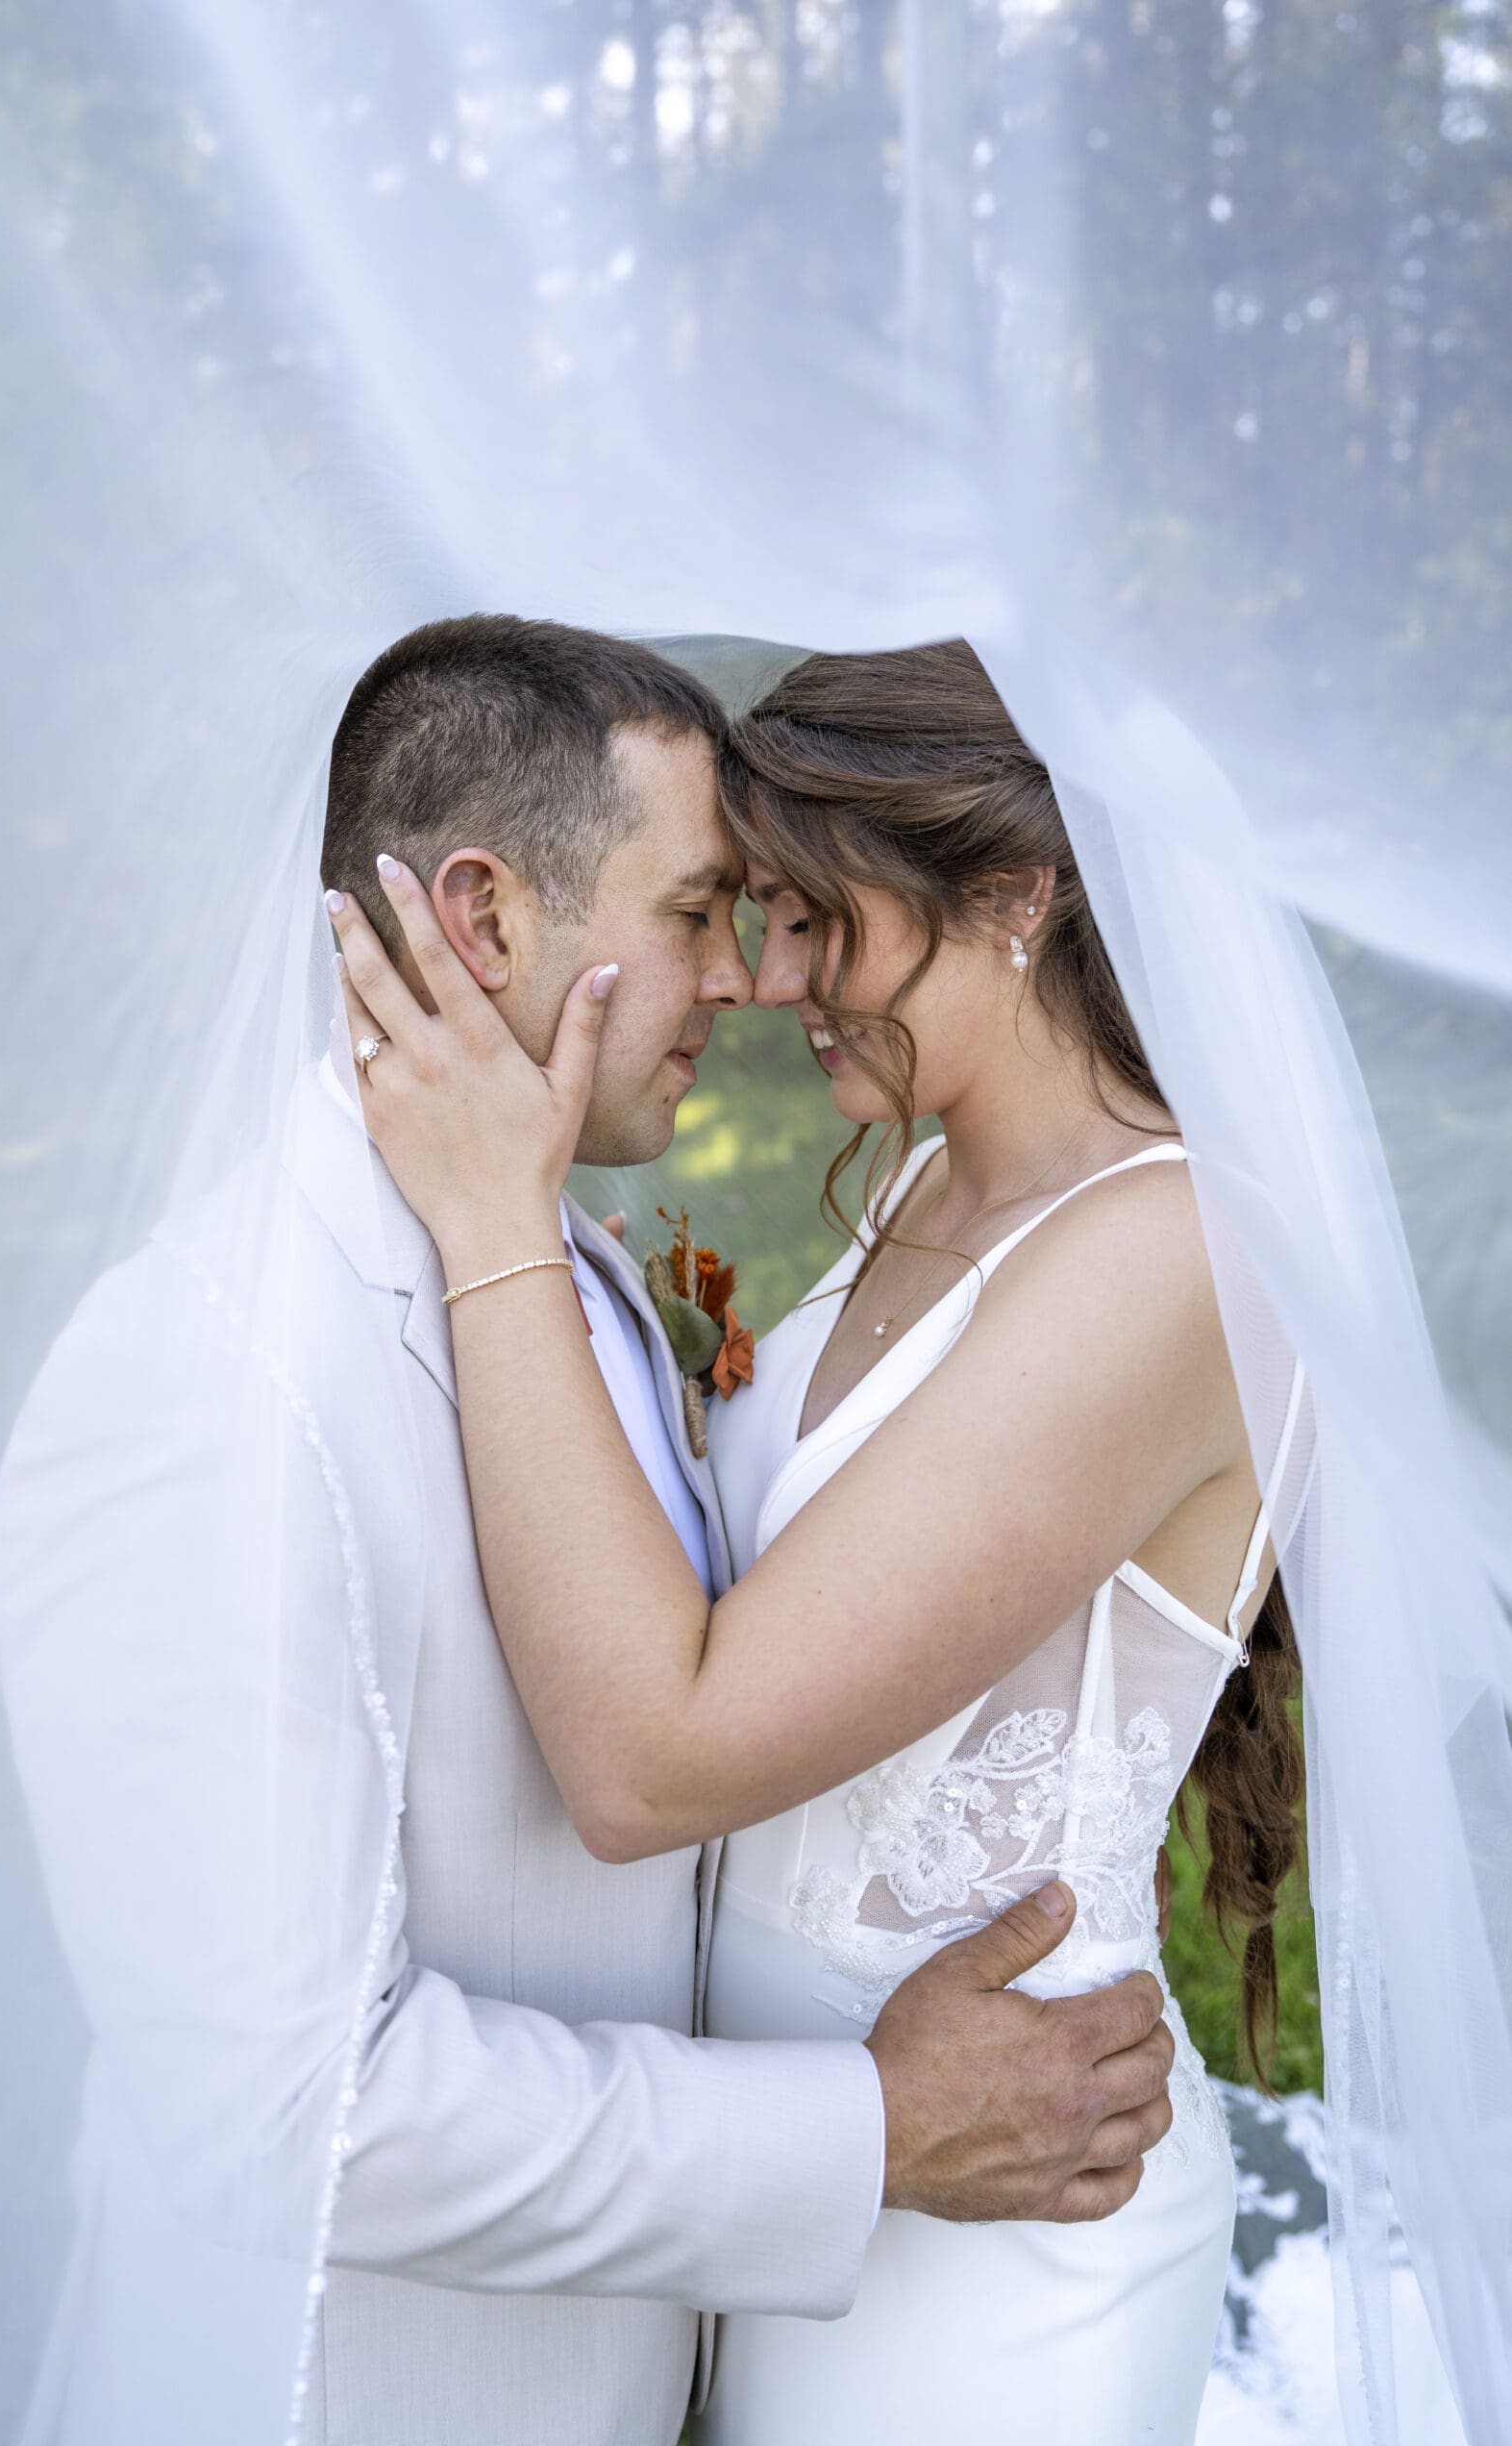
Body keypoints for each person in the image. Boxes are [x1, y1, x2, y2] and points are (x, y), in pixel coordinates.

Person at [0, 618, 1176, 2446]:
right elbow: (284, 2114)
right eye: (701, 909)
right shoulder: (199, 1382)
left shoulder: (563, 1272)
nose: (746, 982)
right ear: (484, 921)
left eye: (771, 916)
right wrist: (861, 2131)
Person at [327, 635, 1315, 2444]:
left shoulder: (1176, 1257)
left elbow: (656, 1756)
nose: (772, 983)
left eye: (813, 920)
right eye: (746, 912)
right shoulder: (944, 1183)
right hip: (798, 2188)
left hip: (994, 2254)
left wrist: (494, 1216)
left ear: (1016, 900)